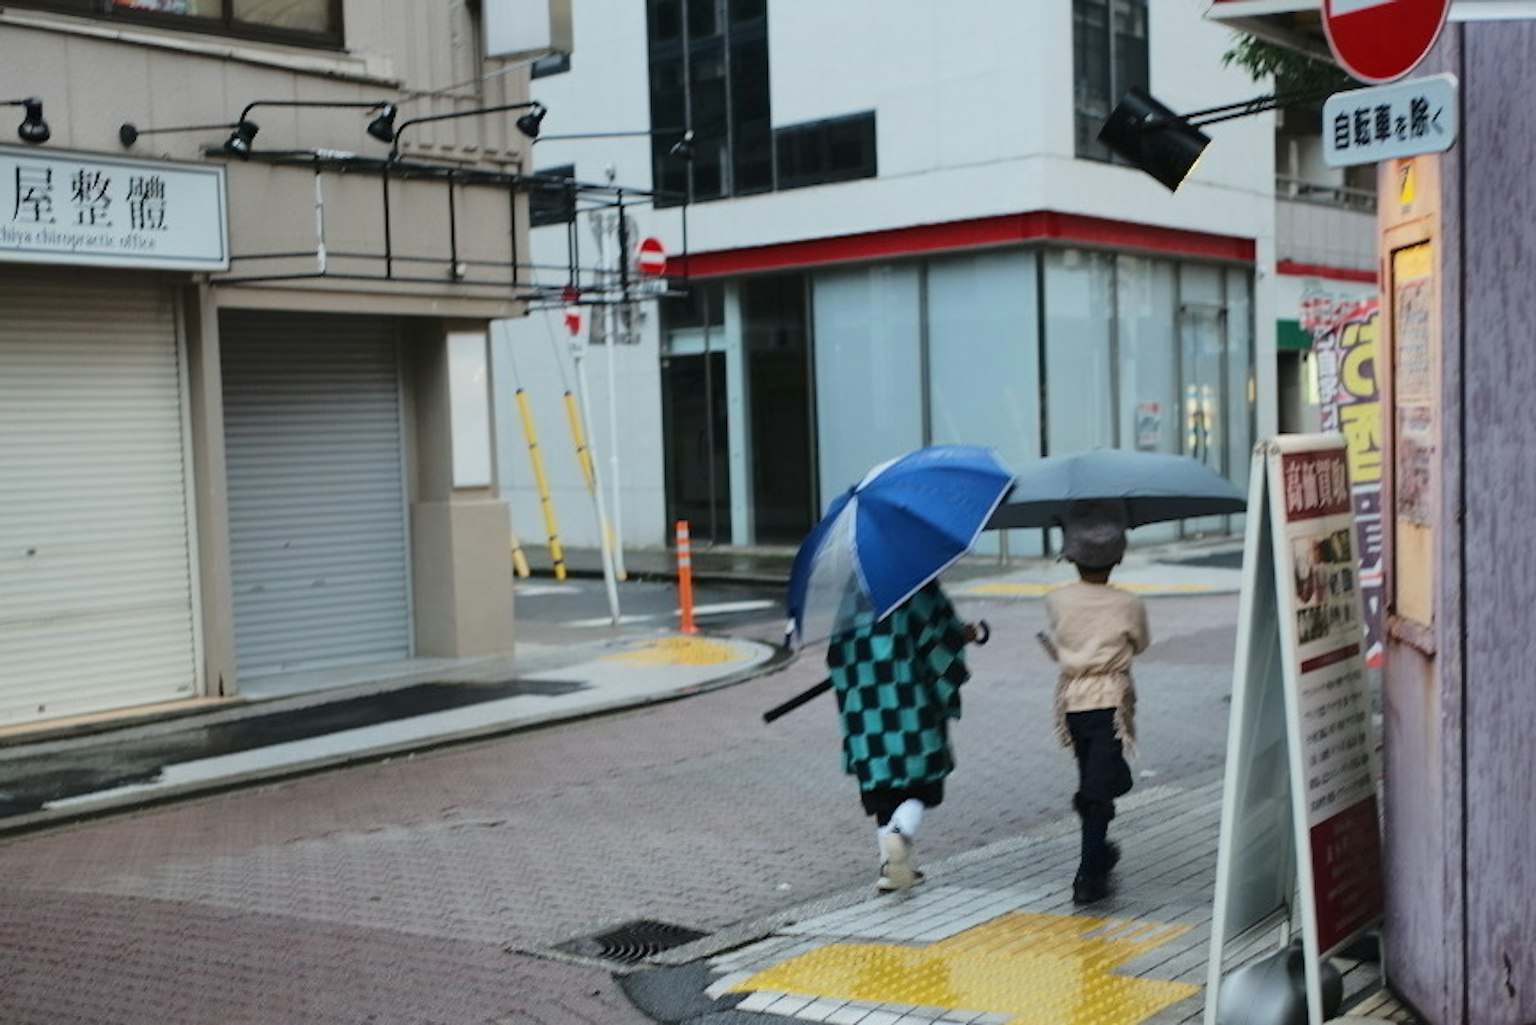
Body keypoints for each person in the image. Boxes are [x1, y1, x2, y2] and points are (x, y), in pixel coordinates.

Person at [825, 579, 981, 892]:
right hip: (910, 704)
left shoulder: (852, 597)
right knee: (922, 783)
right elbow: (939, 645)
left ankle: (891, 867)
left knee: (881, 785)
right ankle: (900, 832)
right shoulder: (917, 589)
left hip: (864, 708)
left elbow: (836, 656)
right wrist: (964, 634)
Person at [1043, 500, 1149, 905]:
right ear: (1117, 557)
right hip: (1110, 701)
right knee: (1099, 787)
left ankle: (1097, 854)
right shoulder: (1129, 604)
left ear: (1070, 557)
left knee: (1092, 778)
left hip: (1072, 702)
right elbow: (1141, 642)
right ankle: (1089, 874)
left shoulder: (1057, 600)